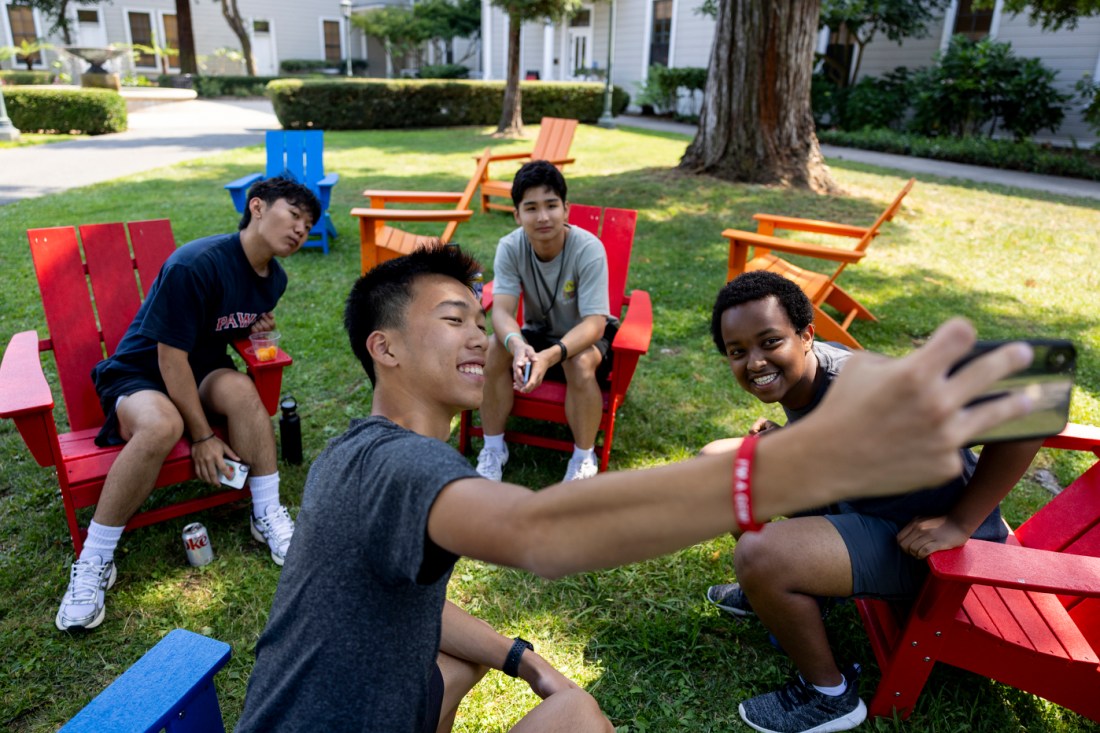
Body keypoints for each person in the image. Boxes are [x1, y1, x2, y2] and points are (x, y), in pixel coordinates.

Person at [236, 244, 1035, 732]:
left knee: (506, 684)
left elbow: (408, 596)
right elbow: (541, 533)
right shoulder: (405, 465)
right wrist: (786, 468)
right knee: (581, 719)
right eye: (454, 320)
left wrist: (521, 657)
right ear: (386, 348)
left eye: (480, 318)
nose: (481, 334)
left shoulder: (352, 456)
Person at [701, 271, 1043, 733]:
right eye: (738, 352)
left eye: (769, 342)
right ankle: (785, 598)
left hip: (932, 548)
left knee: (761, 555)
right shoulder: (810, 375)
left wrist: (959, 524)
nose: (755, 362)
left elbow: (1028, 405)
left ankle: (829, 696)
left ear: (806, 336)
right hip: (868, 505)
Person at [54, 176, 321, 633]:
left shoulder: (273, 279)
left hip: (201, 369)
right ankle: (94, 559)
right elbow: (168, 357)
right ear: (257, 207)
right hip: (141, 373)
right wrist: (200, 436)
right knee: (162, 426)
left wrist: (253, 329)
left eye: (309, 224)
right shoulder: (196, 264)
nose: (301, 229)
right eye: (294, 214)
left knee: (242, 390)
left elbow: (223, 324)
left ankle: (267, 514)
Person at [475, 160, 617, 482]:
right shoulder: (511, 247)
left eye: (551, 205)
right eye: (531, 208)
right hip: (538, 333)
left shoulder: (588, 249)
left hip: (587, 334)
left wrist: (551, 355)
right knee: (495, 348)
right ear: (517, 215)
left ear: (566, 209)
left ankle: (583, 456)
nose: (543, 217)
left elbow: (595, 324)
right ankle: (494, 447)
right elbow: (501, 311)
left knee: (578, 363)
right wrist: (518, 344)